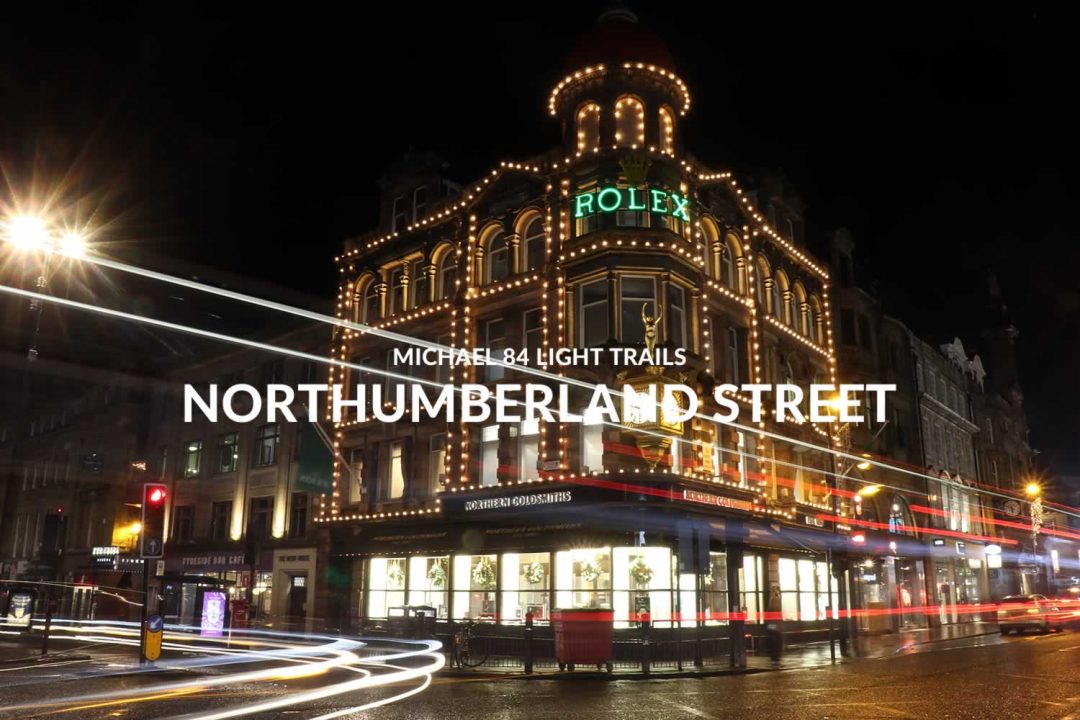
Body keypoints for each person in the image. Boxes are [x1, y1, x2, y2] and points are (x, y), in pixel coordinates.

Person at [766, 585, 784, 667]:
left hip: (772, 625)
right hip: (775, 625)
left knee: (774, 642)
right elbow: (776, 612)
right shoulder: (776, 600)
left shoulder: (771, 600)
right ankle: (776, 660)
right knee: (777, 643)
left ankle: (774, 660)